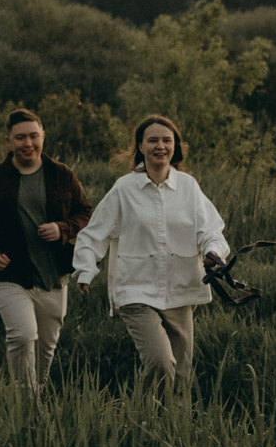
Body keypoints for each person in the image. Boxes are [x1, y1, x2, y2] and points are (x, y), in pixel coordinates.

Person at [72, 113, 231, 387]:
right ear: (141, 147)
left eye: (167, 140)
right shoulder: (125, 189)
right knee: (160, 363)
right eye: (153, 140)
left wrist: (213, 252)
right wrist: (86, 270)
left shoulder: (189, 187)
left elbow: (210, 231)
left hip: (181, 289)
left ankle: (169, 427)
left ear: (175, 147)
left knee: (181, 375)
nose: (161, 146)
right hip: (136, 290)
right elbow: (94, 234)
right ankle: (144, 421)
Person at [0, 109, 94, 390]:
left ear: (43, 136)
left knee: (46, 346)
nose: (28, 143)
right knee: (22, 335)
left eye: (33, 136)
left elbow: (86, 213)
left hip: (54, 275)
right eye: (20, 137)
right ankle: (24, 400)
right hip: (11, 275)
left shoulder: (62, 175)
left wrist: (63, 228)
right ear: (8, 140)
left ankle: (38, 395)